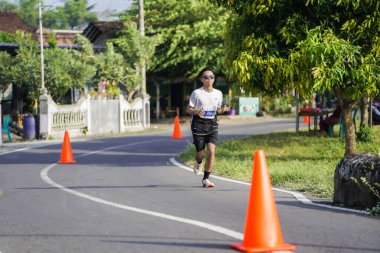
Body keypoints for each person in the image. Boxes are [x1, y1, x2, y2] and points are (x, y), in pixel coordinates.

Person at [187, 67, 229, 188]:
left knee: (211, 151)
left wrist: (224, 109)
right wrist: (196, 111)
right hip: (198, 124)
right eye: (206, 77)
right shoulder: (197, 93)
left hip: (212, 125)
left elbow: (219, 110)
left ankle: (206, 179)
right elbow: (189, 108)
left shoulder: (218, 93)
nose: (209, 79)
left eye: (211, 77)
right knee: (200, 153)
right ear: (201, 79)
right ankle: (199, 162)